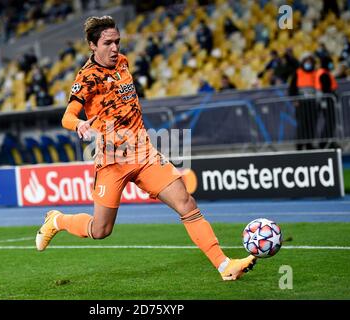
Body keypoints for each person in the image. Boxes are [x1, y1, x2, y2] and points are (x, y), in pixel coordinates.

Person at [35, 16, 256, 281]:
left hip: (144, 152)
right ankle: (57, 221)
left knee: (186, 203)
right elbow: (67, 116)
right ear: (93, 45)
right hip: (111, 160)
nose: (115, 48)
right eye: (108, 43)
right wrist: (79, 125)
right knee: (101, 229)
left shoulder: (124, 63)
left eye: (117, 41)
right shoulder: (86, 77)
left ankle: (224, 266)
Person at [288, 53, 318, 150]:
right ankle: (300, 145)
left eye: (310, 61)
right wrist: (295, 99)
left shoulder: (315, 73)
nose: (308, 63)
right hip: (301, 104)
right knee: (302, 125)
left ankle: (309, 144)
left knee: (311, 124)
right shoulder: (298, 73)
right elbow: (292, 88)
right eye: (306, 61)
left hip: (312, 103)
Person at [315, 56, 339, 149]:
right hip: (326, 101)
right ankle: (324, 142)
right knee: (330, 122)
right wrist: (333, 95)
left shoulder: (324, 72)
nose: (331, 64)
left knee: (329, 122)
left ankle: (328, 141)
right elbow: (326, 89)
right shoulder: (323, 74)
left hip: (325, 101)